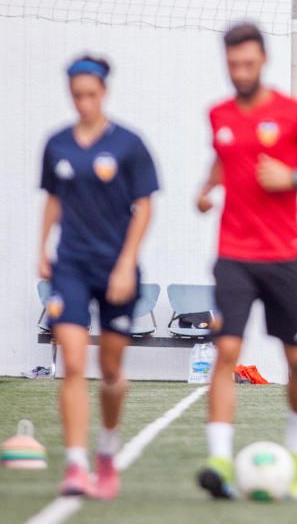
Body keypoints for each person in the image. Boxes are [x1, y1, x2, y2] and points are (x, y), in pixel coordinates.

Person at [195, 23, 297, 500]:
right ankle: (219, 462)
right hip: (233, 256)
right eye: (233, 64)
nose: (240, 72)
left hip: (284, 257)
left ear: (263, 61)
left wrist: (293, 174)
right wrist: (207, 187)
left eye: (248, 63)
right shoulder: (217, 113)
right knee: (225, 352)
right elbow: (223, 155)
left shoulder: (293, 113)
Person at [38, 55, 159, 499]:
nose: (84, 103)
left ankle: (106, 451)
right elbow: (53, 198)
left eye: (91, 94)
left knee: (110, 370)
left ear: (104, 92)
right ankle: (74, 465)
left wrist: (127, 263)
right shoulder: (56, 145)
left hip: (116, 269)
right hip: (69, 265)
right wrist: (41, 248)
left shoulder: (129, 144)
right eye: (77, 95)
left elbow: (145, 206)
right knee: (72, 361)